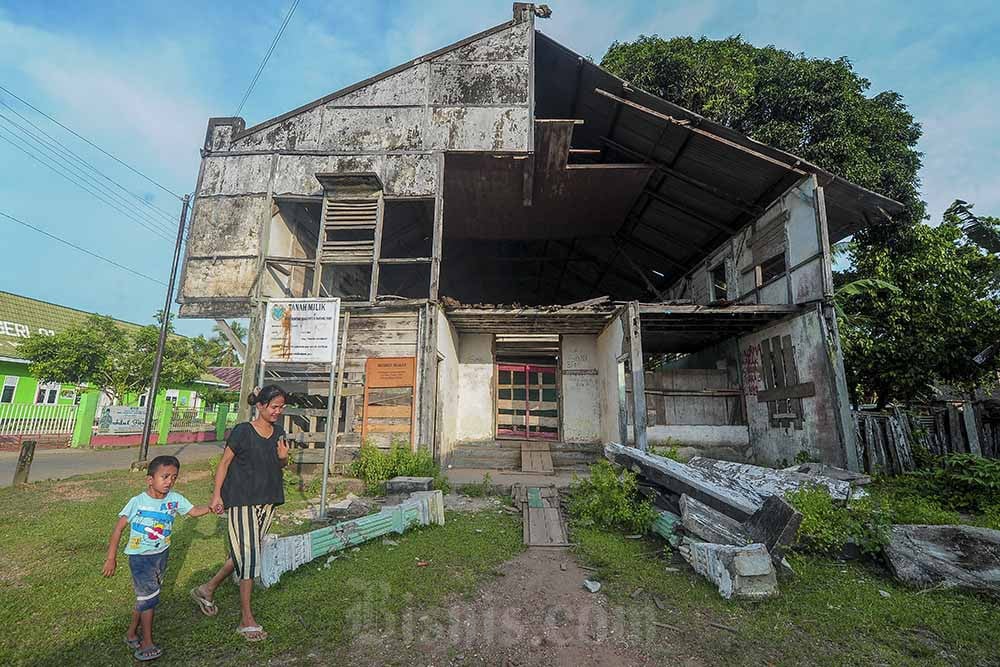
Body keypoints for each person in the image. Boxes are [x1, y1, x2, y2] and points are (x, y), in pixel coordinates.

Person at [190, 385, 290, 642]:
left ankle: (207, 588)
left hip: (268, 500)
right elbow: (224, 463)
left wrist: (283, 458)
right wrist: (216, 495)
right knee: (249, 557)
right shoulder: (243, 431)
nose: (278, 412)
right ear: (260, 406)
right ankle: (246, 619)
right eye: (274, 407)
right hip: (242, 499)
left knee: (245, 552)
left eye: (281, 407)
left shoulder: (279, 432)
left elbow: (279, 464)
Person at [102, 455, 212, 662]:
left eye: (174, 477)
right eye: (165, 476)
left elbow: (194, 511)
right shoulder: (137, 502)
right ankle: (147, 642)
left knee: (146, 597)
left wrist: (210, 507)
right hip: (140, 558)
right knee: (149, 598)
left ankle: (131, 634)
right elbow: (118, 529)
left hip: (161, 555)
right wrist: (111, 558)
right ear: (150, 479)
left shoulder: (175, 499)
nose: (169, 481)